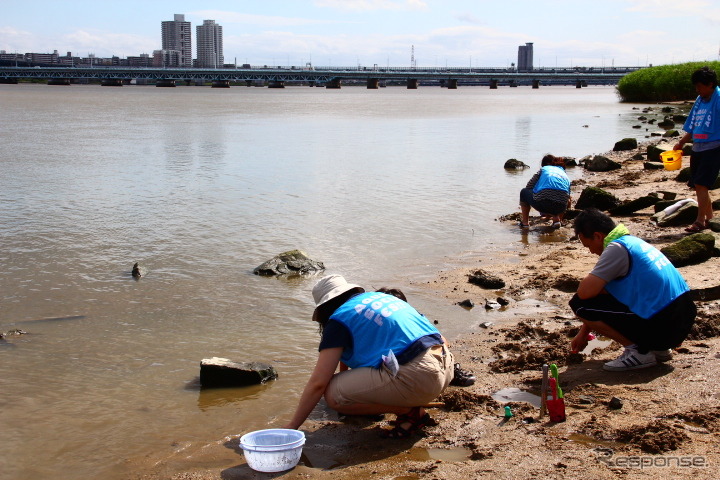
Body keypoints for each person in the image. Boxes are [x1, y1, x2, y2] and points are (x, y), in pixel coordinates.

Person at [284, 275, 455, 438]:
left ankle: (409, 412)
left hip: (421, 378)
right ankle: (407, 399)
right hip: (446, 365)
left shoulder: (338, 320)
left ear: (324, 308)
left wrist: (292, 426)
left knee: (332, 394)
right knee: (346, 384)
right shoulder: (384, 299)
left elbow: (318, 384)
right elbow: (439, 338)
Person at [569, 209, 696, 371]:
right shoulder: (633, 242)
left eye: (588, 245)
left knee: (578, 304)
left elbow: (584, 294)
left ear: (598, 236)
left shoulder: (616, 249)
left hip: (666, 326)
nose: (591, 251)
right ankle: (658, 349)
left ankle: (640, 352)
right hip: (682, 319)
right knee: (604, 295)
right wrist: (583, 333)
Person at [674, 66, 720, 233]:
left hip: (714, 147)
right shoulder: (700, 100)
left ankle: (700, 221)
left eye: (700, 86)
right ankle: (711, 219)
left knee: (701, 183)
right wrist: (681, 142)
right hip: (698, 147)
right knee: (699, 185)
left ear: (710, 84)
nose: (697, 90)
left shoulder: (719, 98)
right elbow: (693, 125)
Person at [519, 154, 572, 229]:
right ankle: (557, 219)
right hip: (561, 207)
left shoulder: (544, 169)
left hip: (544, 204)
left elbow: (529, 186)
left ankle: (525, 223)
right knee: (559, 197)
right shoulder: (564, 174)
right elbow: (567, 197)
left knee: (524, 192)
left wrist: (537, 188)